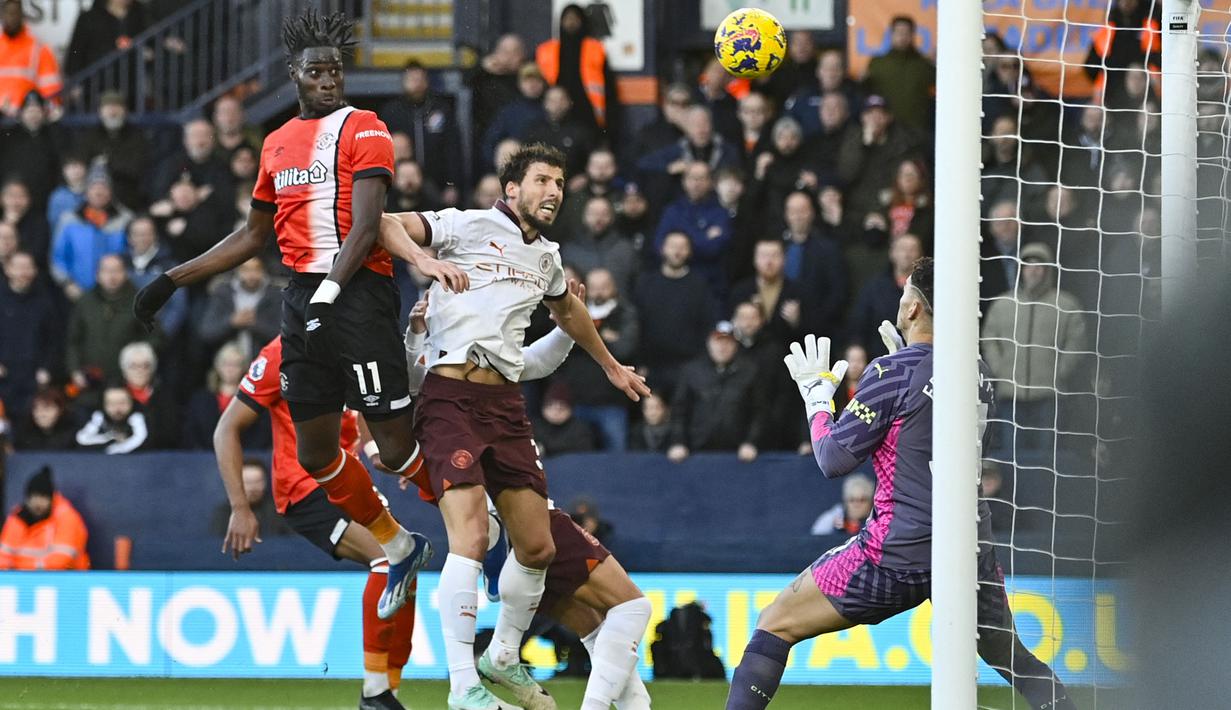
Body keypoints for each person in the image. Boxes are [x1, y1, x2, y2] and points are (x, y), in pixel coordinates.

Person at [133, 9, 447, 629]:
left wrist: (333, 287)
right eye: (315, 70)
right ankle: (400, 544)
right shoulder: (275, 143)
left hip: (358, 295)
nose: (327, 79)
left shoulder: (366, 127)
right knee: (314, 454)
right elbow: (253, 236)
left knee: (392, 443)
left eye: (334, 70)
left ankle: (476, 507)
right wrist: (172, 279)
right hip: (304, 299)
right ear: (294, 74)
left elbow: (366, 226)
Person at [724, 257, 1076, 710]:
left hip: (897, 553)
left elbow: (832, 459)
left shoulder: (891, 374)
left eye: (904, 294)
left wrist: (816, 400)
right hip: (970, 547)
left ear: (913, 309)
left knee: (774, 623)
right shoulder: (979, 371)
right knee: (1008, 656)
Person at [379, 142, 649, 710]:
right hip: (450, 397)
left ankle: (502, 653)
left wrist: (610, 365)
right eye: (543, 180)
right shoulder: (468, 225)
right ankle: (461, 687)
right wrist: (424, 262)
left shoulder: (547, 258)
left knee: (537, 546)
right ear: (511, 189)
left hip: (505, 407)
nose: (554, 190)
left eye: (559, 182)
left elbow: (570, 313)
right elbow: (384, 222)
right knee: (472, 537)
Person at [398, 288, 654, 710]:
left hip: (512, 530)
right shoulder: (446, 377)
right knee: (631, 609)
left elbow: (533, 361)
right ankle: (502, 650)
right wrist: (414, 333)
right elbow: (414, 381)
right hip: (525, 520)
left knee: (596, 628)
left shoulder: (484, 363)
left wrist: (569, 325)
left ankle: (509, 653)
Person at [214, 336, 416, 708]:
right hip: (305, 487)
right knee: (390, 560)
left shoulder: (354, 340)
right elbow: (226, 428)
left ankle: (389, 691)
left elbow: (364, 410)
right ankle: (374, 694)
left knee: (408, 565)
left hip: (348, 480)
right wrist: (240, 507)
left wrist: (380, 452)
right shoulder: (281, 352)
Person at [554, 267, 638, 451]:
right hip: (577, 398)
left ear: (614, 287)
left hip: (612, 402)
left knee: (617, 457)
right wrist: (603, 336)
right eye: (594, 287)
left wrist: (586, 335)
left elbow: (625, 349)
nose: (599, 292)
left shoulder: (625, 313)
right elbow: (564, 346)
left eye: (604, 286)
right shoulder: (575, 310)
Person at [667, 321, 765, 464]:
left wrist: (751, 442)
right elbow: (679, 411)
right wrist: (678, 442)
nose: (722, 347)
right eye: (718, 341)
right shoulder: (692, 371)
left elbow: (760, 412)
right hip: (697, 453)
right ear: (709, 343)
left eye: (728, 342)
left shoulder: (750, 371)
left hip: (739, 456)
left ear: (735, 346)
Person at [380, 60, 463, 202]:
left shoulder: (441, 109)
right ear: (403, 82)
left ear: (427, 81)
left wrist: (452, 184)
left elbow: (452, 150)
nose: (416, 84)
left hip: (436, 184)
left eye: (420, 79)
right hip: (401, 185)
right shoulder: (391, 111)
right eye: (411, 79)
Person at [535, 3, 619, 139]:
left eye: (575, 19)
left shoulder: (596, 49)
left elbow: (609, 87)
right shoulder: (546, 50)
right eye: (567, 19)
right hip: (556, 111)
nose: (571, 23)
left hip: (587, 112)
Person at [67, 254, 148, 390]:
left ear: (125, 273)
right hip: (90, 381)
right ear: (97, 275)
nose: (112, 276)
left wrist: (138, 361)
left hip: (127, 383)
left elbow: (155, 336)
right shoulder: (85, 302)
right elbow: (73, 340)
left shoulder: (139, 301)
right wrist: (74, 370)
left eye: (117, 271)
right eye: (106, 271)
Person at [51, 167, 132, 299]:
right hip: (76, 294)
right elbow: (57, 257)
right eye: (94, 187)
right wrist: (67, 283)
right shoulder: (69, 219)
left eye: (104, 187)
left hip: (117, 294)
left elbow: (132, 256)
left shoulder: (125, 219)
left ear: (111, 192)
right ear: (86, 191)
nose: (99, 192)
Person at [0, 250, 56, 417]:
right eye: (18, 267)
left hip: (34, 375)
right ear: (7, 269)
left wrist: (46, 368)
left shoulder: (46, 300)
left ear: (35, 271)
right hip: (4, 374)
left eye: (27, 267)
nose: (23, 273)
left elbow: (53, 339)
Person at [0, 467, 89, 570]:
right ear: (27, 498)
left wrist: (21, 567)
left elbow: (60, 561)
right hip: (23, 580)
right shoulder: (17, 518)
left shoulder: (67, 518)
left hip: (67, 580)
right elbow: (3, 557)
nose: (38, 503)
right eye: (34, 497)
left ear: (51, 499)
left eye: (43, 497)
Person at [76, 92, 150, 210]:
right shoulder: (90, 136)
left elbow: (137, 168)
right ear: (100, 111)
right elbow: (82, 165)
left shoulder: (137, 136)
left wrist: (108, 163)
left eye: (117, 107)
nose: (112, 112)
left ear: (124, 111)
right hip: (94, 196)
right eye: (108, 107)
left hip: (127, 196)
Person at [861, 15, 936, 130]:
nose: (902, 36)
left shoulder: (923, 65)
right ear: (891, 34)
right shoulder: (877, 64)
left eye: (906, 32)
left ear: (912, 35)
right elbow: (866, 95)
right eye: (898, 32)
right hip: (886, 132)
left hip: (917, 131)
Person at [199, 256, 281, 355]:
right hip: (227, 363)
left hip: (264, 360)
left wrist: (256, 324)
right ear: (238, 271)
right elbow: (207, 333)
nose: (251, 275)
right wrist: (232, 322)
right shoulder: (223, 293)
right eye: (246, 270)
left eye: (256, 269)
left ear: (263, 271)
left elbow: (283, 335)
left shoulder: (276, 295)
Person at [0, 0, 61, 116]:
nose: (11, 18)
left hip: (25, 122)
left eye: (14, 13)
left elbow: (51, 93)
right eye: (7, 13)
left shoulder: (39, 49)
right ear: (2, 16)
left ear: (22, 16)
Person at [209, 459, 291, 537]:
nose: (253, 488)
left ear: (266, 483)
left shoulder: (279, 512)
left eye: (258, 482)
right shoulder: (224, 513)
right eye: (248, 482)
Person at [76, 384, 147, 454]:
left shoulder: (138, 416)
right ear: (104, 405)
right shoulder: (99, 416)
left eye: (122, 403)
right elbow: (82, 438)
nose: (117, 409)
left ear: (132, 402)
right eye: (112, 403)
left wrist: (117, 448)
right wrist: (109, 438)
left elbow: (143, 439)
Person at [809, 473, 873, 536]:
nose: (856, 505)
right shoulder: (832, 519)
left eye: (862, 500)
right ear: (846, 502)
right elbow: (816, 539)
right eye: (852, 500)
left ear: (870, 502)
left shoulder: (878, 520)